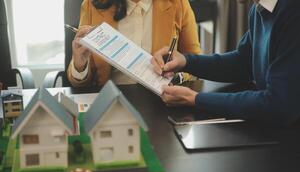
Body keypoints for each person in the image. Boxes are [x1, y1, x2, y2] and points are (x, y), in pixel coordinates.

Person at [151, 0, 300, 125]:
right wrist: (186, 61)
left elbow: (279, 104)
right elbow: (243, 63)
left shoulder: (293, 11)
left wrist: (195, 99)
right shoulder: (259, 8)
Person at [67, 0, 200, 87]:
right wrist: (80, 64)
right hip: (109, 101)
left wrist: (176, 77)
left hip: (162, 101)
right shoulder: (93, 5)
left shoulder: (178, 4)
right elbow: (80, 84)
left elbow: (194, 64)